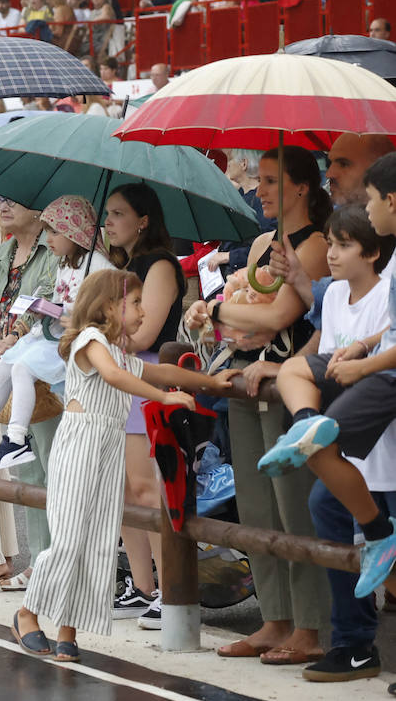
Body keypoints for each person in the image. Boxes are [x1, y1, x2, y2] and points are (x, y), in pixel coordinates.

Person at [13, 269, 233, 661]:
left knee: (96, 540)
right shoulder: (91, 340)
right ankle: (27, 613)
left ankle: (68, 628)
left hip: (109, 445)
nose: (142, 311)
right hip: (81, 442)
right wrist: (162, 399)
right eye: (134, 303)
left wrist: (211, 382)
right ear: (109, 307)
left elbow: (161, 371)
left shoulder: (118, 352)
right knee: (68, 538)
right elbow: (114, 377)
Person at [184, 147, 333, 662]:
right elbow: (247, 318)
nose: (261, 190)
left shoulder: (313, 246)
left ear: (301, 189)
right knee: (254, 506)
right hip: (245, 380)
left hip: (284, 385)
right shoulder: (263, 243)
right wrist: (211, 316)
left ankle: (309, 627)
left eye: (271, 181)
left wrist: (223, 310)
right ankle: (275, 619)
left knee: (293, 508)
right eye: (262, 179)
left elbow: (277, 318)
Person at [250, 199, 396, 599]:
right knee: (296, 372)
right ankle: (307, 423)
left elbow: (381, 352)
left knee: (383, 560)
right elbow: (324, 363)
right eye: (329, 243)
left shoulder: (387, 292)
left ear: (373, 252)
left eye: (343, 245)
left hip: (379, 434)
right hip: (346, 422)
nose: (330, 253)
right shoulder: (331, 297)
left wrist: (359, 360)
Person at [0, 196, 114, 469]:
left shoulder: (96, 266)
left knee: (21, 369)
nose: (3, 206)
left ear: (74, 231)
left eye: (55, 231)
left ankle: (16, 438)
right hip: (46, 335)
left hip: (66, 341)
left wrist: (61, 315)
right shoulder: (58, 262)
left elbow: (106, 312)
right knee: (8, 364)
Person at [101, 183, 188, 627]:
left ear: (144, 220)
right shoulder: (121, 263)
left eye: (118, 214)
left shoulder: (159, 266)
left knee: (144, 485)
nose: (109, 221)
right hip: (117, 374)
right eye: (108, 213)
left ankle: (169, 586)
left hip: (145, 373)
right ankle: (141, 586)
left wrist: (92, 326)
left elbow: (144, 335)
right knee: (118, 486)